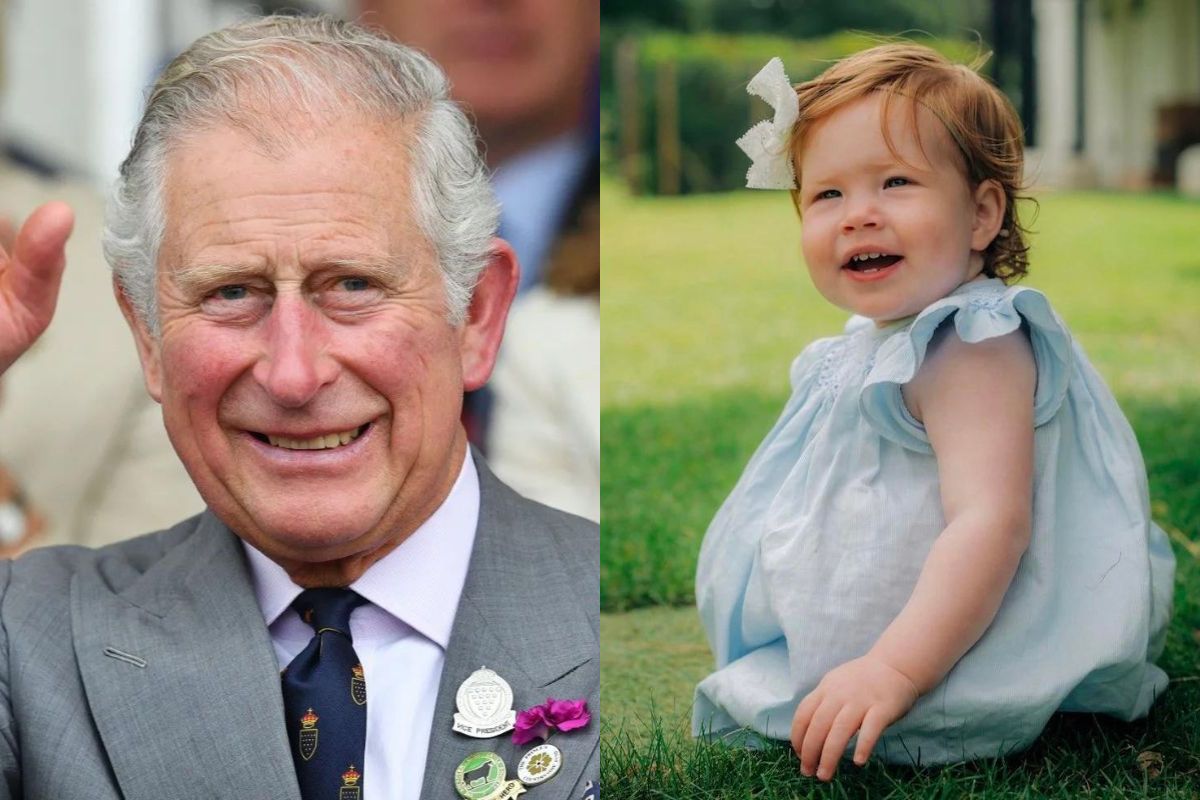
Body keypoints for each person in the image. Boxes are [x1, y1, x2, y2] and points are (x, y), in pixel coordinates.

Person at [0, 15, 598, 800]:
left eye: (352, 285)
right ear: (147, 334)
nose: (292, 372)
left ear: (478, 316)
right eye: (232, 292)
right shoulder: (28, 636)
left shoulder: (598, 608)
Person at [693, 45, 1174, 781]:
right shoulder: (880, 340)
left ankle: (909, 683)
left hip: (946, 646)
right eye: (827, 195)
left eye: (895, 182)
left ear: (982, 213)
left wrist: (891, 668)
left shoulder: (973, 343)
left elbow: (992, 521)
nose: (859, 216)